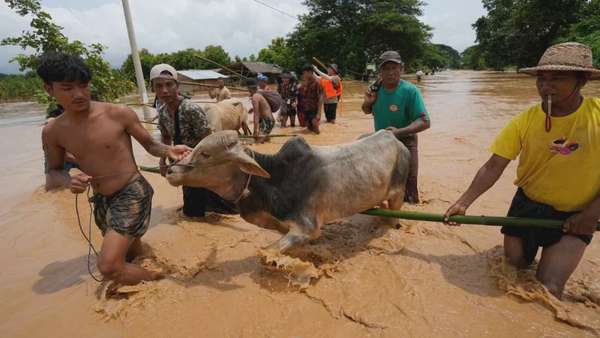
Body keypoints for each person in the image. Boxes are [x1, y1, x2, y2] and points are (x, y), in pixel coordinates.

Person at [444, 42, 600, 299]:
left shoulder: (596, 117)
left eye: (557, 79)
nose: (546, 86)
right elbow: (494, 166)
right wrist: (463, 202)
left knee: (547, 289)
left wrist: (592, 213)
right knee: (513, 267)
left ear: (582, 80)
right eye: (542, 78)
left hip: (575, 217)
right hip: (527, 207)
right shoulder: (525, 120)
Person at [40, 52, 191, 285]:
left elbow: (150, 144)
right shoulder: (53, 131)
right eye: (68, 88)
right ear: (50, 89)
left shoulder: (118, 114)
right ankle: (144, 267)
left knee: (109, 266)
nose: (79, 94)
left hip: (132, 191)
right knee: (131, 252)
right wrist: (68, 180)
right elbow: (53, 171)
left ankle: (162, 279)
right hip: (101, 199)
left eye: (83, 86)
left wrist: (168, 151)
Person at [152, 64, 237, 218]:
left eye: (169, 85)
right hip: (181, 161)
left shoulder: (190, 109)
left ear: (177, 86)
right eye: (159, 86)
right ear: (154, 89)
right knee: (193, 207)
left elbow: (207, 138)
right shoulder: (163, 112)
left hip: (199, 161)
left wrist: (202, 162)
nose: (164, 90)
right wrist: (162, 160)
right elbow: (165, 137)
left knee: (204, 207)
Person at [361, 51, 431, 203]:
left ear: (402, 69)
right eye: (386, 69)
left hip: (406, 141)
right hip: (381, 143)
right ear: (380, 72)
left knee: (410, 191)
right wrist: (368, 102)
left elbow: (425, 121)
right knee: (376, 184)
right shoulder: (375, 89)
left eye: (395, 68)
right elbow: (366, 110)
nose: (390, 72)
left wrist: (398, 132)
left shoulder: (410, 91)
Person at [297, 64, 323, 134]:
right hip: (306, 109)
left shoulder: (317, 83)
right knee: (309, 129)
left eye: (305, 73)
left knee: (316, 128)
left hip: (314, 108)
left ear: (310, 72)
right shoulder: (304, 83)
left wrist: (319, 113)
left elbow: (320, 98)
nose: (304, 74)